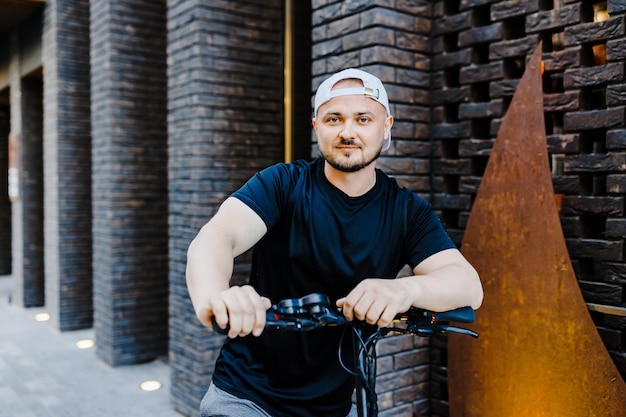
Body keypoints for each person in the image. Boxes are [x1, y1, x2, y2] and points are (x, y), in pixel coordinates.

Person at [186, 68, 483, 417]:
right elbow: (218, 236)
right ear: (316, 127)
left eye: (362, 118)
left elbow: (467, 285)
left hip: (333, 407)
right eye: (334, 119)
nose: (347, 132)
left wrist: (403, 291)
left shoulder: (406, 211)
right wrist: (216, 297)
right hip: (246, 396)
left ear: (386, 125)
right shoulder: (282, 184)